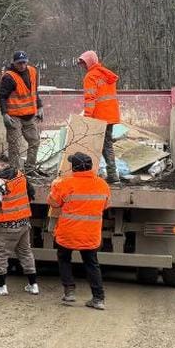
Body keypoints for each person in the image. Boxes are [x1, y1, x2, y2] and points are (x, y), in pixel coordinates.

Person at [48, 151, 110, 309]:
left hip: (68, 232)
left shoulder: (64, 183)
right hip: (90, 233)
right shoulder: (102, 184)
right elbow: (105, 206)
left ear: (74, 168)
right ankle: (98, 299)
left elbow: (54, 203)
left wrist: (54, 185)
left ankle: (69, 292)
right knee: (91, 263)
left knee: (64, 259)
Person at [0, 154, 38, 296]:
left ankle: (1, 286)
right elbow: (31, 193)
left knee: (0, 254)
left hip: (5, 225)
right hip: (23, 223)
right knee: (25, 253)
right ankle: (33, 285)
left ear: (3, 165)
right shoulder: (20, 175)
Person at [78, 50, 121, 184]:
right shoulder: (106, 74)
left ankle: (91, 174)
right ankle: (113, 174)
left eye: (84, 63)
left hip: (98, 118)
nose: (83, 66)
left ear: (89, 62)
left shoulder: (90, 77)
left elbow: (90, 99)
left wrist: (87, 118)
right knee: (107, 145)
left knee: (93, 146)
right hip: (111, 116)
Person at [0, 51, 42, 172]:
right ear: (14, 63)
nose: (22, 66)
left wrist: (40, 106)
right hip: (14, 117)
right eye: (19, 63)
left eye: (24, 63)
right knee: (15, 146)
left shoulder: (32, 71)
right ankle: (15, 172)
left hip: (29, 115)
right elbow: (2, 96)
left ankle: (30, 169)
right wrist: (4, 114)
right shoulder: (9, 77)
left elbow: (34, 91)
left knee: (35, 141)